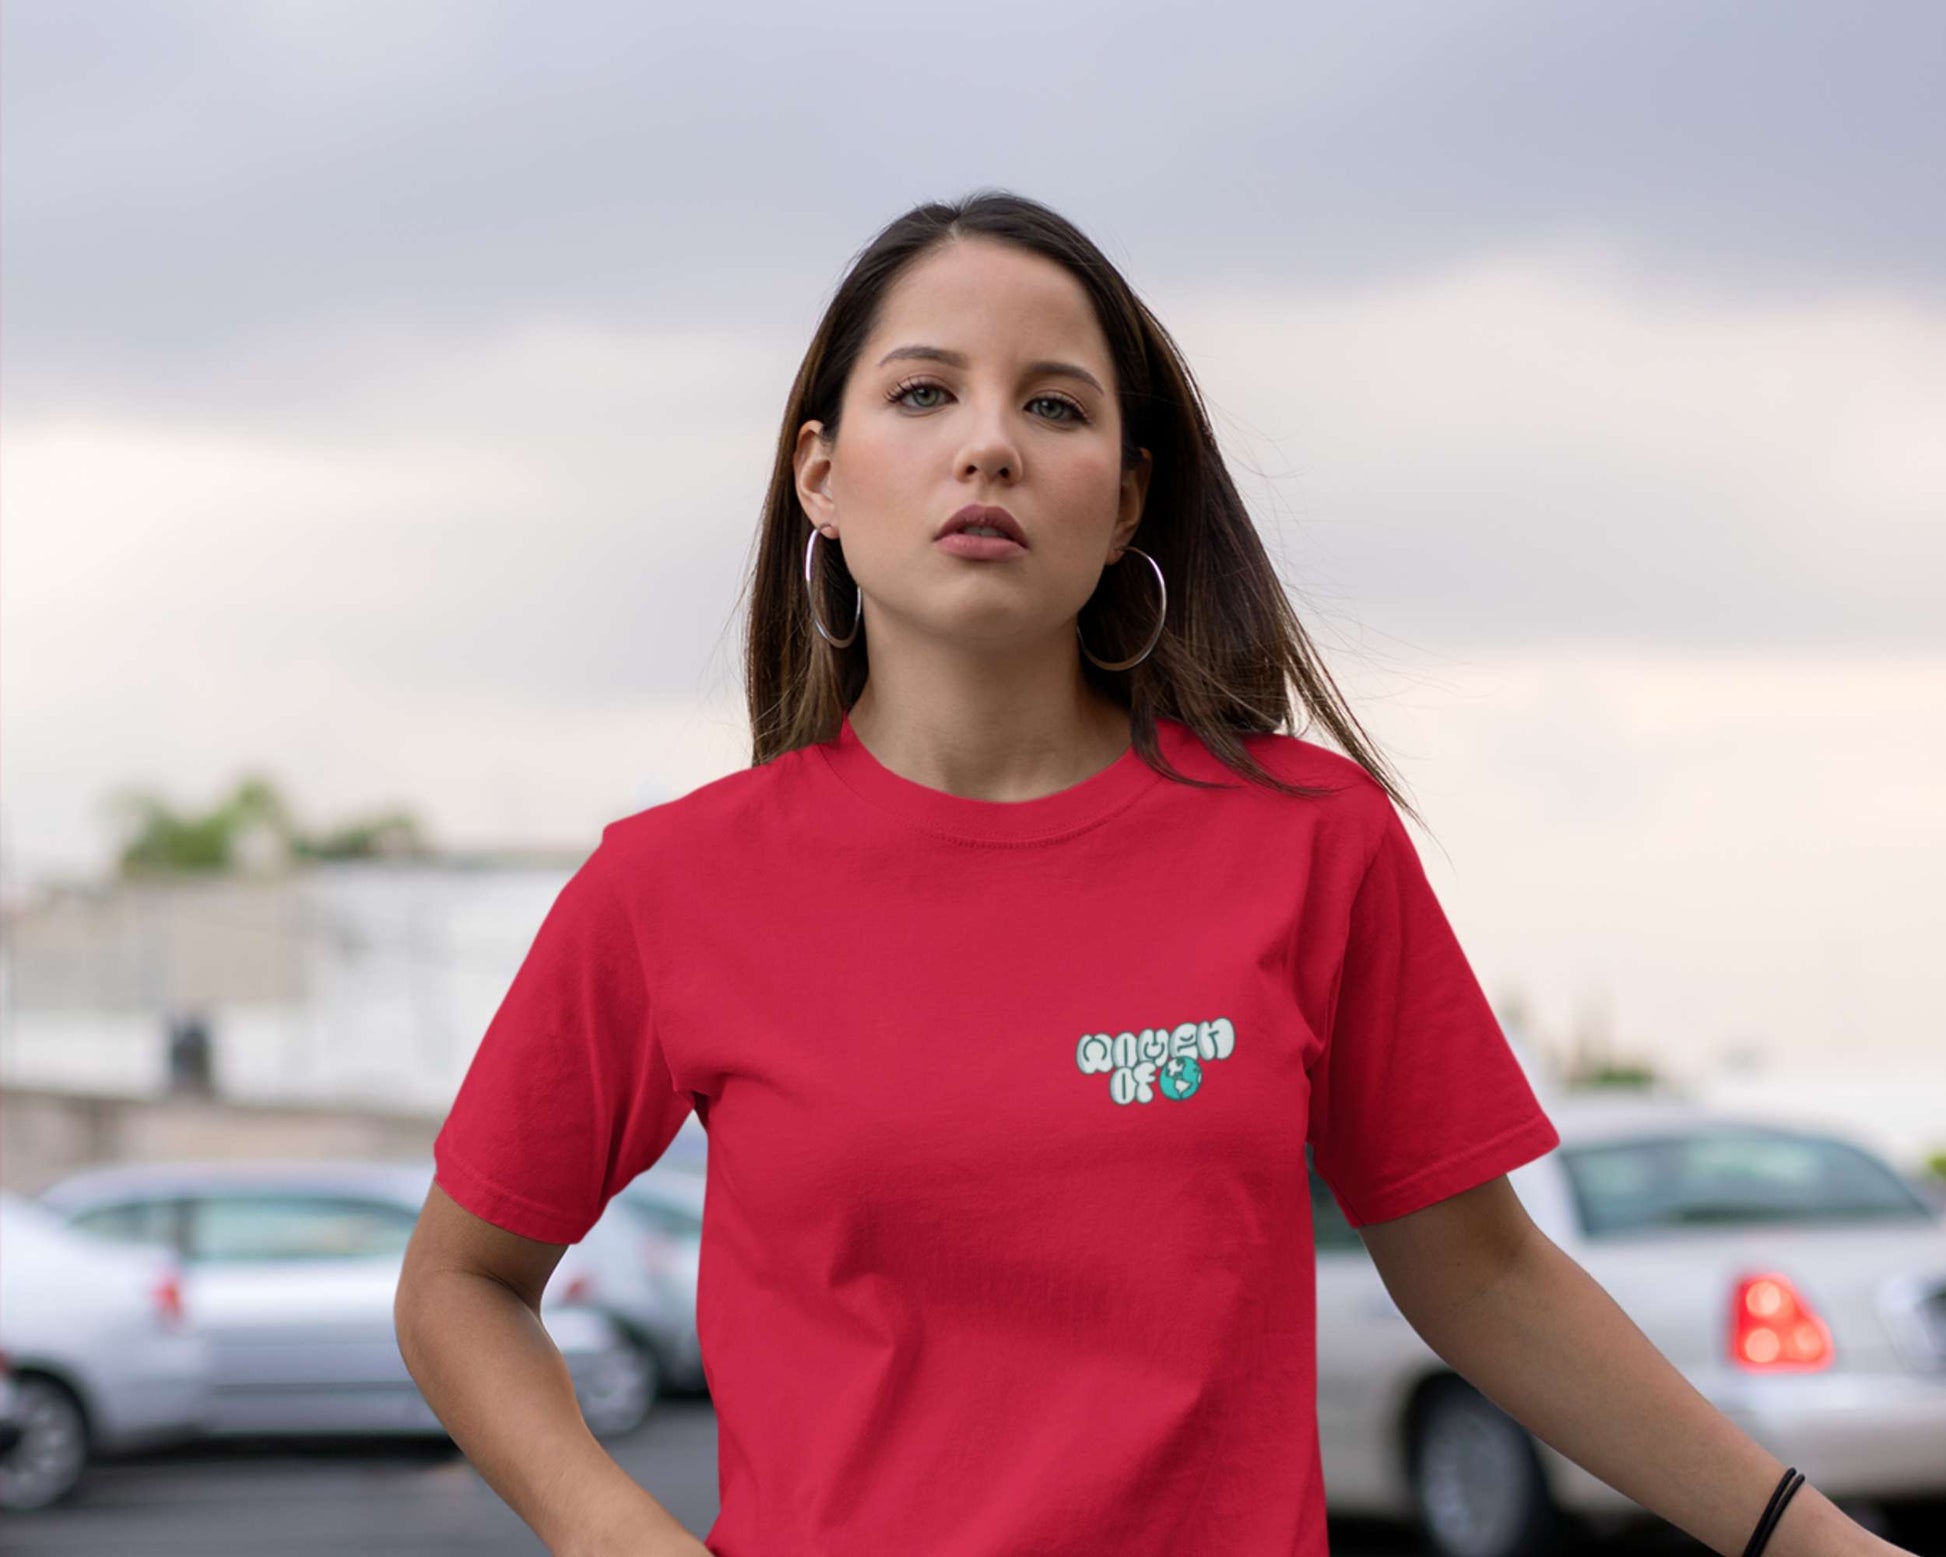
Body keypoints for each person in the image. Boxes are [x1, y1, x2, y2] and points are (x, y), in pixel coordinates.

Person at [394, 190, 1907, 1557]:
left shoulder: (1306, 842)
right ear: (820, 475)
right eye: (922, 392)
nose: (986, 440)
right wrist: (610, 1530)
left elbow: (1489, 1277)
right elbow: (458, 1283)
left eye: (1053, 406)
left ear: (1122, 501)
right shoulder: (671, 886)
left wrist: (1809, 1542)